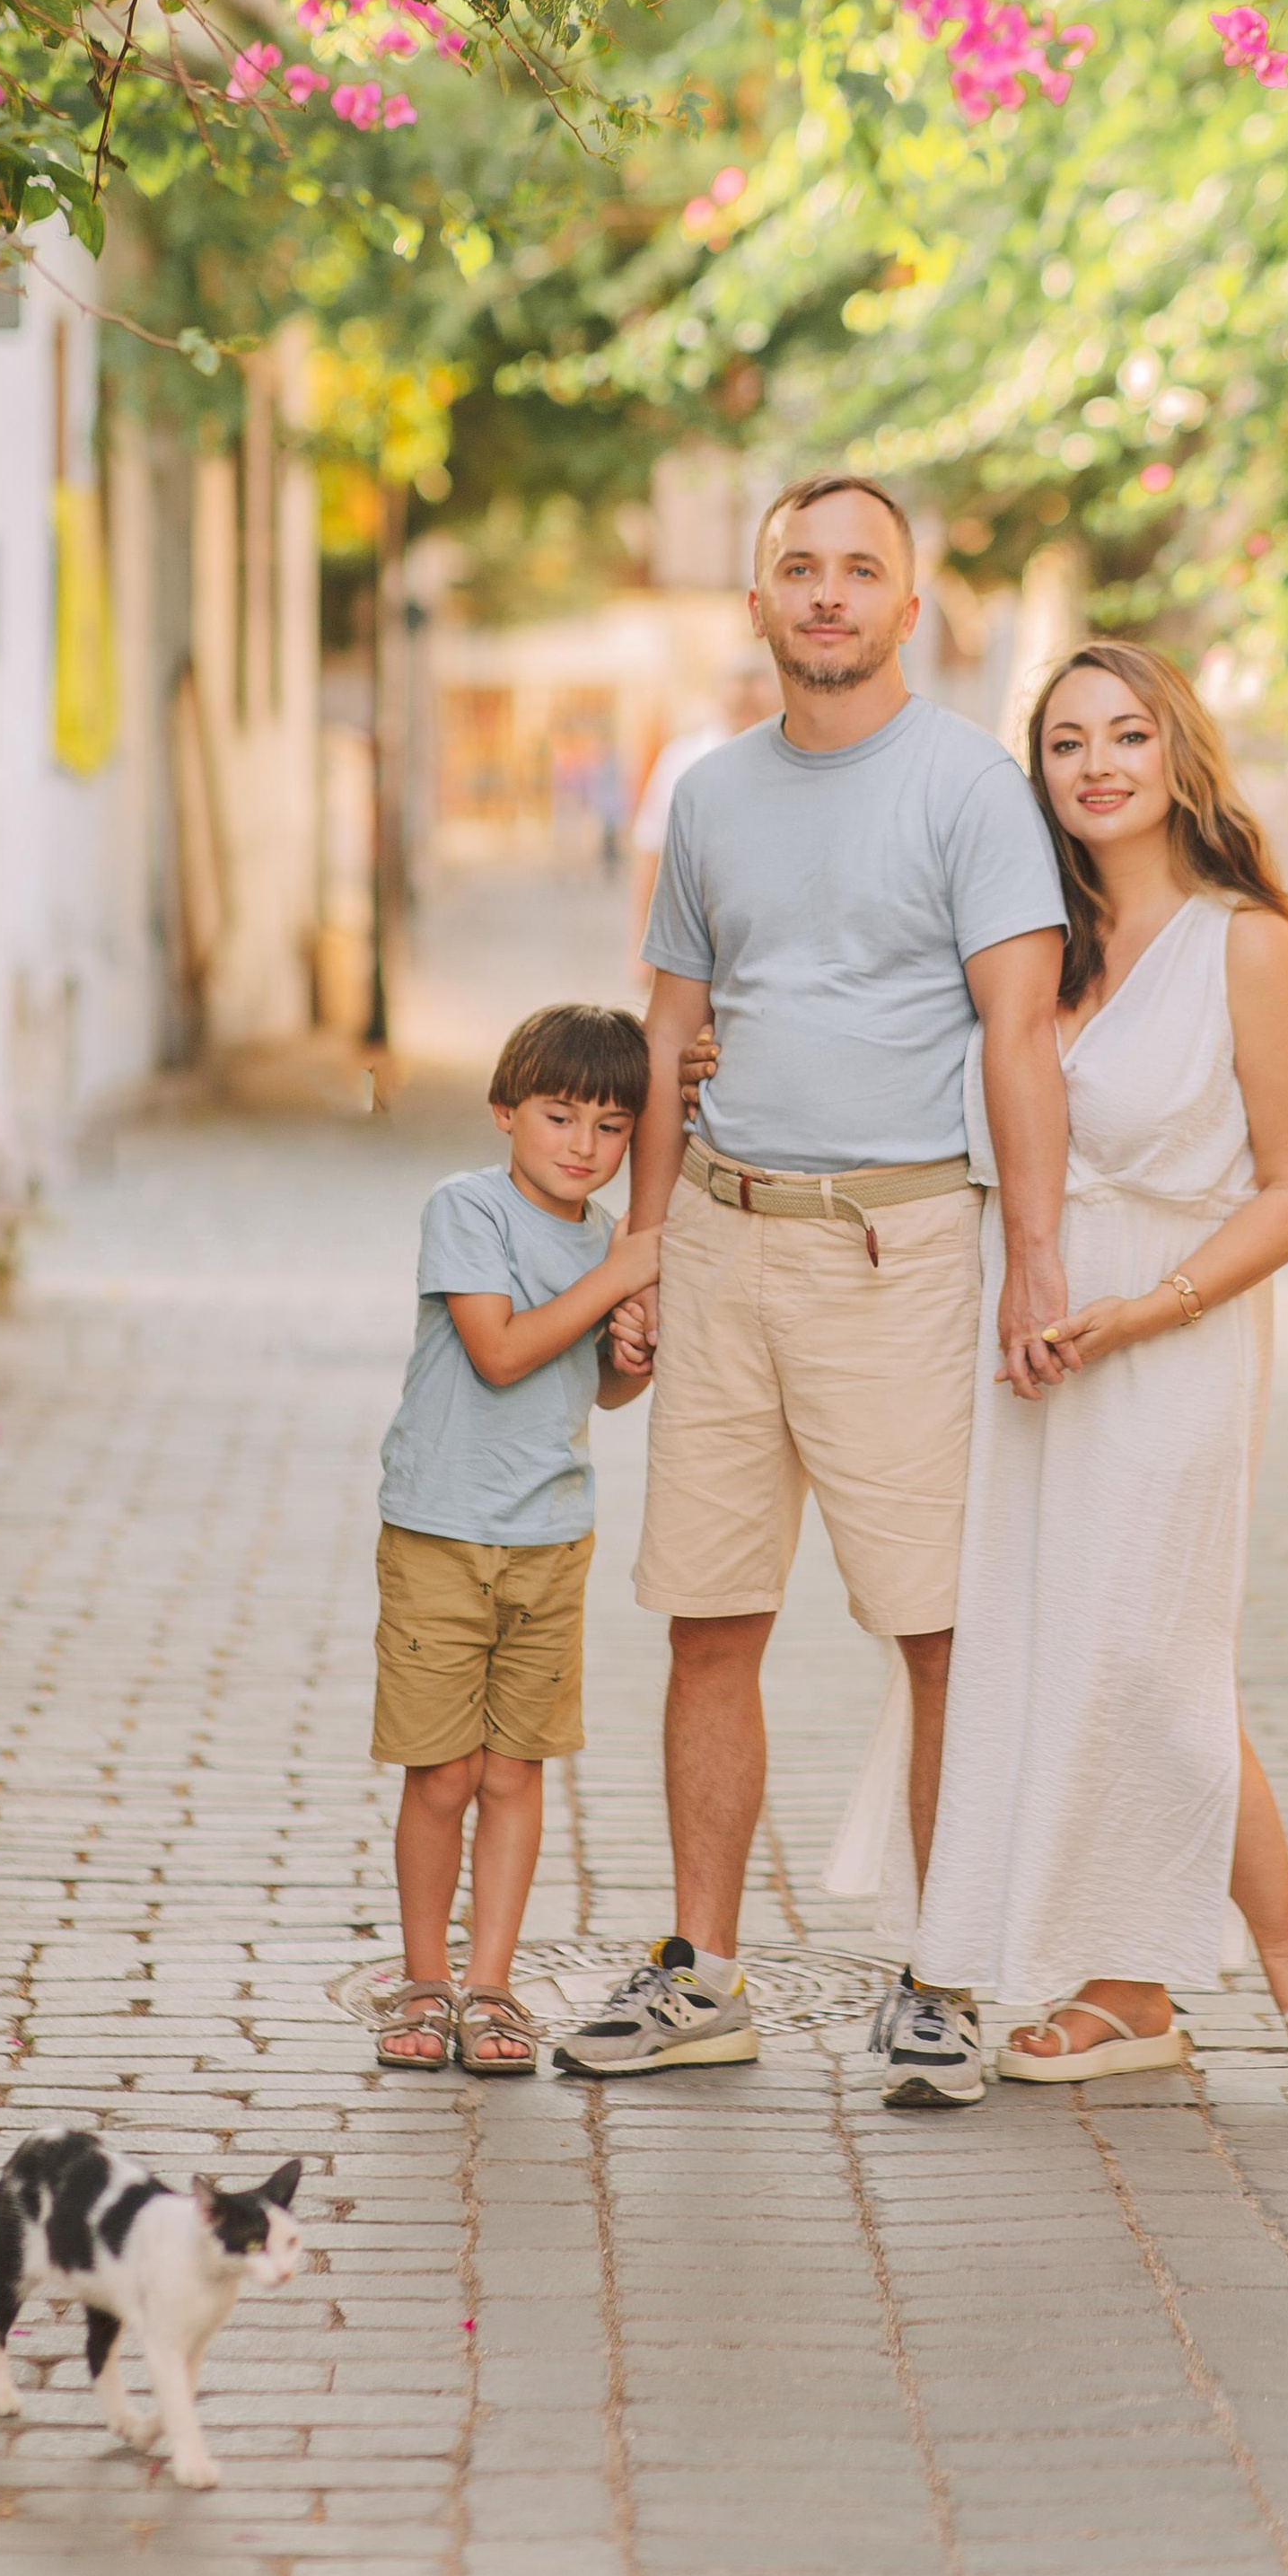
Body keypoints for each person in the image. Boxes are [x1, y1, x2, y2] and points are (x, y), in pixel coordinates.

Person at [550, 472, 1070, 2093]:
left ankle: (945, 1977)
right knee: (710, 1620)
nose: (829, 596)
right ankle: (702, 1974)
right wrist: (638, 1247)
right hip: (719, 1232)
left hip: (894, 1248)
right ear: (761, 603)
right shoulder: (710, 796)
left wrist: (1029, 1256)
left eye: (861, 572)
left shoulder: (974, 789)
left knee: (935, 1629)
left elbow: (1020, 1035)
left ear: (909, 608)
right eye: (800, 570)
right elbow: (666, 1024)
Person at [910, 639, 1288, 2101]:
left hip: (1173, 1336)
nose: (1099, 764)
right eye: (1067, 743)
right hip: (1031, 1336)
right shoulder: (1024, 944)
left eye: (1128, 734)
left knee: (1153, 1655)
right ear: (1039, 772)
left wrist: (1149, 1308)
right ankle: (1128, 1993)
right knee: (1067, 1647)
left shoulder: (1244, 939)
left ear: (1179, 753)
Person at [369, 1003, 659, 2079]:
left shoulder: (605, 1242)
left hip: (549, 1534)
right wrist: (619, 1279)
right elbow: (495, 1353)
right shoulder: (468, 1210)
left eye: (611, 1126)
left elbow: (611, 1389)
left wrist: (637, 1342)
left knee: (513, 1772)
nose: (582, 1146)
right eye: (558, 1116)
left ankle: (491, 1984)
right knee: (441, 1773)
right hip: (442, 1530)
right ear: (505, 1113)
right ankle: (423, 1979)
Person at [627, 664, 779, 959]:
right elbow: (651, 849)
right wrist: (641, 943)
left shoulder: (792, 757)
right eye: (738, 706)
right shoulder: (683, 759)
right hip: (698, 931)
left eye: (756, 707)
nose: (746, 714)